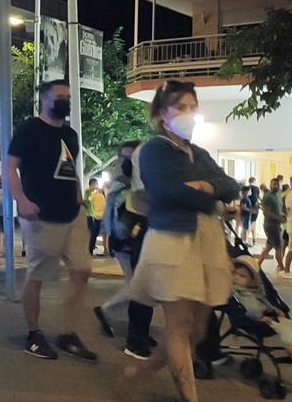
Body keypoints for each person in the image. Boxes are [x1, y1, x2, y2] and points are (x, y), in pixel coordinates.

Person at [123, 80, 237, 402]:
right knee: (179, 325)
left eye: (192, 107)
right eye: (180, 107)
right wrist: (203, 190)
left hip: (206, 239)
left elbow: (231, 185)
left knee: (197, 330)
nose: (189, 113)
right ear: (162, 113)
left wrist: (206, 187)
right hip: (172, 240)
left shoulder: (198, 152)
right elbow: (166, 191)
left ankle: (141, 371)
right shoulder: (154, 149)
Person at [5, 80, 97, 362]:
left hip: (72, 214)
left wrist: (79, 193)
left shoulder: (70, 134)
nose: (65, 101)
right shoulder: (29, 129)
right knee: (38, 275)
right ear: (44, 99)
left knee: (82, 270)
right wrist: (21, 200)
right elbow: (10, 167)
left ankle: (69, 333)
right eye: (60, 97)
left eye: (68, 97)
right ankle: (34, 334)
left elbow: (70, 165)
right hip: (40, 215)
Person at [93, 140, 158, 360]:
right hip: (126, 241)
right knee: (137, 287)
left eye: (134, 158)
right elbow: (113, 215)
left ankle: (139, 331)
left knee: (142, 287)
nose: (129, 162)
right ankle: (108, 312)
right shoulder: (121, 183)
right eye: (126, 158)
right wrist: (113, 239)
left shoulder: (141, 181)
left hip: (140, 239)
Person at [257, 178, 289, 273]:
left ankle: (257, 265)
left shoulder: (278, 196)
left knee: (269, 246)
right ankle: (282, 268)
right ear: (270, 185)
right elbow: (265, 212)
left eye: (277, 184)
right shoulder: (268, 196)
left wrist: (283, 216)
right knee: (279, 248)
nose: (275, 186)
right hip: (271, 225)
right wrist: (278, 218)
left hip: (276, 224)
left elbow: (279, 210)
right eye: (273, 184)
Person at [87, 178, 106, 256]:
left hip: (103, 216)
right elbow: (89, 199)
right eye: (95, 184)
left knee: (99, 233)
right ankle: (90, 250)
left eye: (97, 184)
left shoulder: (102, 194)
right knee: (94, 234)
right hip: (96, 216)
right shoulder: (93, 194)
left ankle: (94, 249)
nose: (96, 186)